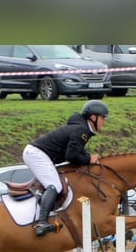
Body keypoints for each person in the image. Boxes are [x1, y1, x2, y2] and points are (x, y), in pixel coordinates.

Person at [23, 99, 108, 236]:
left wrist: (87, 157)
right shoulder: (82, 130)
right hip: (37, 153)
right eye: (103, 117)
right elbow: (72, 155)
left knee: (55, 183)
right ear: (93, 117)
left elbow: (75, 151)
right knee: (55, 185)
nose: (104, 121)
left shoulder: (82, 129)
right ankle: (41, 223)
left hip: (38, 153)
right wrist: (88, 159)